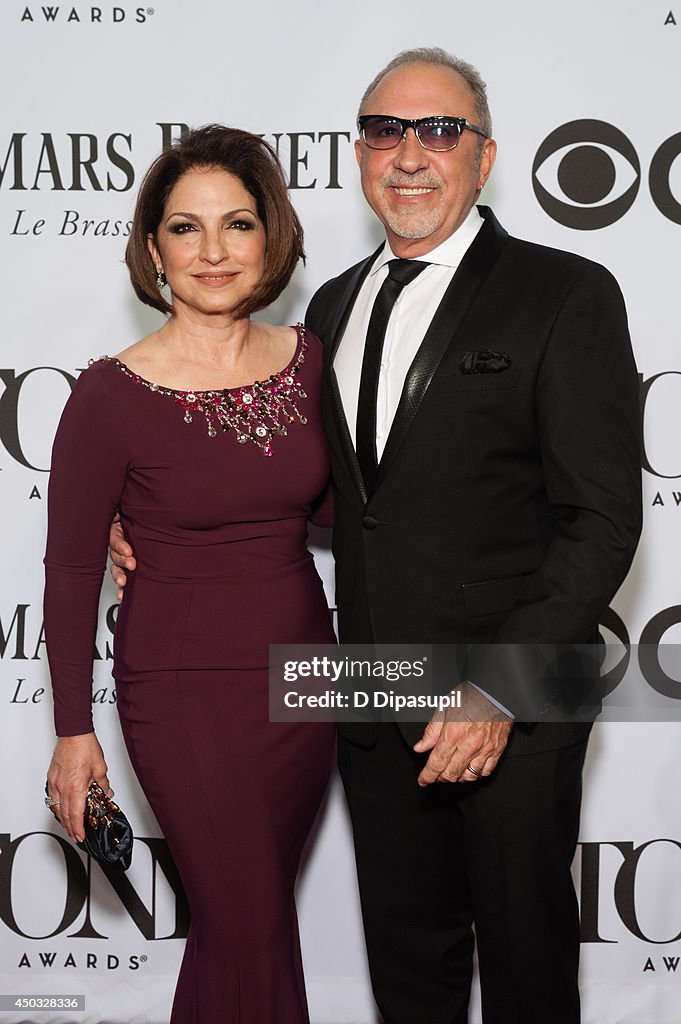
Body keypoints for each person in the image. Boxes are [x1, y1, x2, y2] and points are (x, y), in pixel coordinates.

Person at [111, 50, 642, 1024]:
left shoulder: (566, 293)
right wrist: (151, 514)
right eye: (385, 130)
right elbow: (344, 499)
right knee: (410, 977)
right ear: (360, 154)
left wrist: (499, 684)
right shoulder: (332, 309)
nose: (410, 153)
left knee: (527, 972)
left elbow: (602, 518)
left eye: (439, 130)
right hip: (375, 688)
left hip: (517, 694)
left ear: (484, 158)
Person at [44, 124, 336, 1024]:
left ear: (270, 238)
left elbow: (340, 517)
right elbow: (69, 568)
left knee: (242, 926)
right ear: (152, 247)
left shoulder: (312, 362)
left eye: (237, 224)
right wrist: (71, 733)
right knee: (247, 925)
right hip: (181, 691)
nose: (213, 252)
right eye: (184, 228)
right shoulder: (109, 392)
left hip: (305, 681)